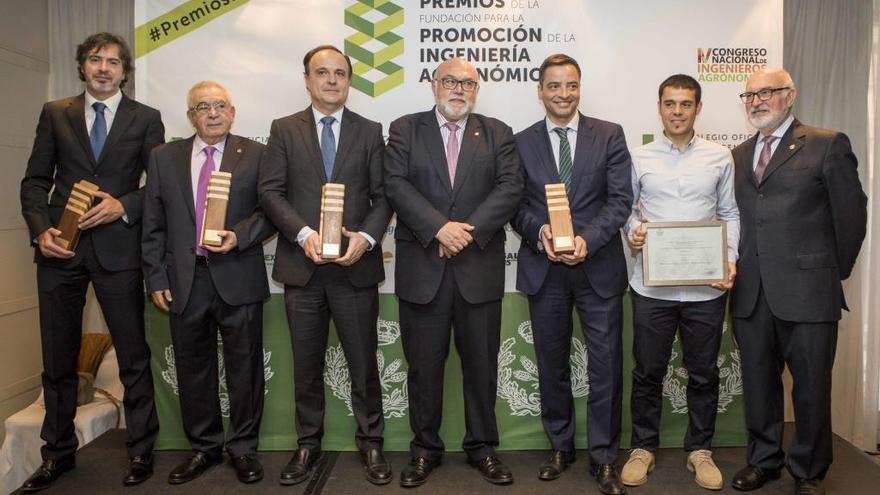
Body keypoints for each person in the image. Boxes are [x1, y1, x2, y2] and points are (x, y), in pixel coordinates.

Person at [18, 32, 162, 492]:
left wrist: (125, 206)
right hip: (61, 250)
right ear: (83, 66)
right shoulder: (56, 112)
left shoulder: (147, 118)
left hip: (119, 250)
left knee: (133, 356)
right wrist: (42, 231)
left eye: (113, 62)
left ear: (124, 72)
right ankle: (57, 454)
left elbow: (156, 190)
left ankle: (141, 450)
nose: (104, 68)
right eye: (96, 60)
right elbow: (35, 181)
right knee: (58, 358)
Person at [384, 57, 523, 488]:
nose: (459, 89)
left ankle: (482, 447)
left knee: (481, 367)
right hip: (423, 271)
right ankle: (425, 450)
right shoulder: (406, 128)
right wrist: (438, 227)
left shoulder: (497, 131)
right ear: (433, 85)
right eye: (450, 81)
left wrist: (465, 232)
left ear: (476, 90)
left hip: (477, 270)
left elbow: (510, 188)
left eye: (468, 83)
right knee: (423, 368)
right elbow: (395, 185)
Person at [259, 45, 393, 486]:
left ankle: (371, 440)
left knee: (363, 363)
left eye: (340, 73)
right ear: (307, 79)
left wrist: (368, 238)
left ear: (349, 80)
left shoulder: (371, 130)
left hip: (355, 268)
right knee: (306, 363)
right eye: (322, 72)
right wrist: (303, 234)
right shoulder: (283, 129)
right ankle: (307, 444)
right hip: (304, 268)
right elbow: (271, 193)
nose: (332, 80)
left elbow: (383, 195)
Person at [729, 68, 866, 495]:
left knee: (811, 387)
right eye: (749, 95)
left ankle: (809, 470)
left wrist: (828, 272)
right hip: (751, 293)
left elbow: (851, 217)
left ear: (790, 96)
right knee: (758, 384)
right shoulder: (738, 154)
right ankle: (764, 460)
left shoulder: (826, 144)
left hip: (809, 292)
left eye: (766, 92)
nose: (756, 101)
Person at [510, 53, 632, 495]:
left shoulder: (610, 135)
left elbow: (620, 201)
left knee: (605, 368)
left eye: (572, 85)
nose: (564, 94)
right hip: (546, 270)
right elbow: (514, 206)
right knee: (552, 365)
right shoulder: (520, 142)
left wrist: (588, 240)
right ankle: (560, 445)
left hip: (597, 267)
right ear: (540, 90)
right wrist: (539, 230)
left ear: (581, 88)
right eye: (555, 86)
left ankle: (604, 458)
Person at [142, 81, 274, 485]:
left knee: (245, 366)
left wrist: (241, 235)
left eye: (219, 106)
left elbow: (270, 211)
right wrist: (156, 276)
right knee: (192, 367)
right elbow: (153, 224)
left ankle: (243, 449)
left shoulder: (257, 155)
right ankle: (203, 448)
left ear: (232, 112)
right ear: (190, 116)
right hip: (186, 280)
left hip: (238, 275)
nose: (212, 113)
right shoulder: (164, 158)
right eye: (203, 107)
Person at [620, 74, 739, 491]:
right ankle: (643, 448)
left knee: (704, 371)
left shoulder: (720, 156)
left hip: (705, 288)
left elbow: (730, 213)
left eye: (685, 104)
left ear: (698, 108)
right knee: (648, 371)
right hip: (651, 288)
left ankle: (700, 451)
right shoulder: (639, 156)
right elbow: (628, 211)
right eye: (669, 104)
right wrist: (634, 230)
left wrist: (729, 259)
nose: (676, 112)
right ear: (659, 107)